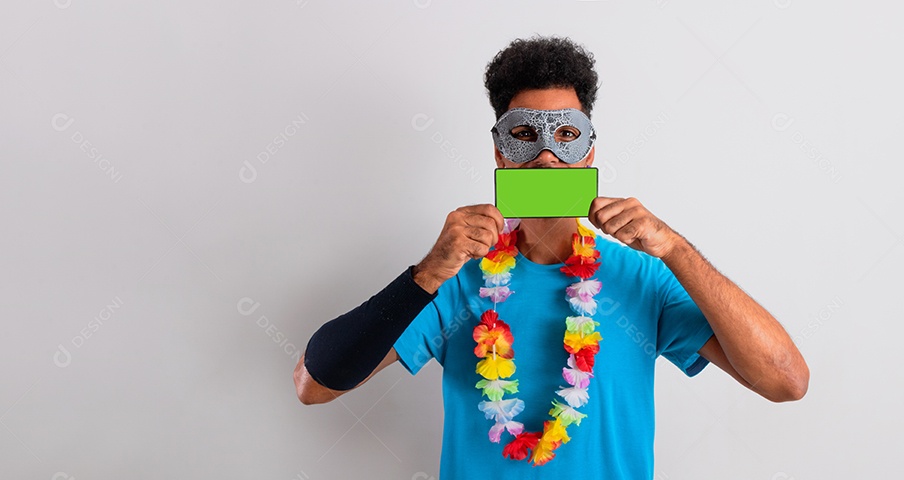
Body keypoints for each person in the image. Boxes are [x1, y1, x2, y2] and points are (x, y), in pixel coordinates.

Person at [293, 36, 809, 479]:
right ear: (499, 152)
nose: (545, 155)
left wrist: (674, 248)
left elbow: (786, 380)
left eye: (566, 135)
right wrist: (426, 273)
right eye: (524, 135)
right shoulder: (452, 279)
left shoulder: (645, 276)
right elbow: (314, 385)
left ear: (588, 152)